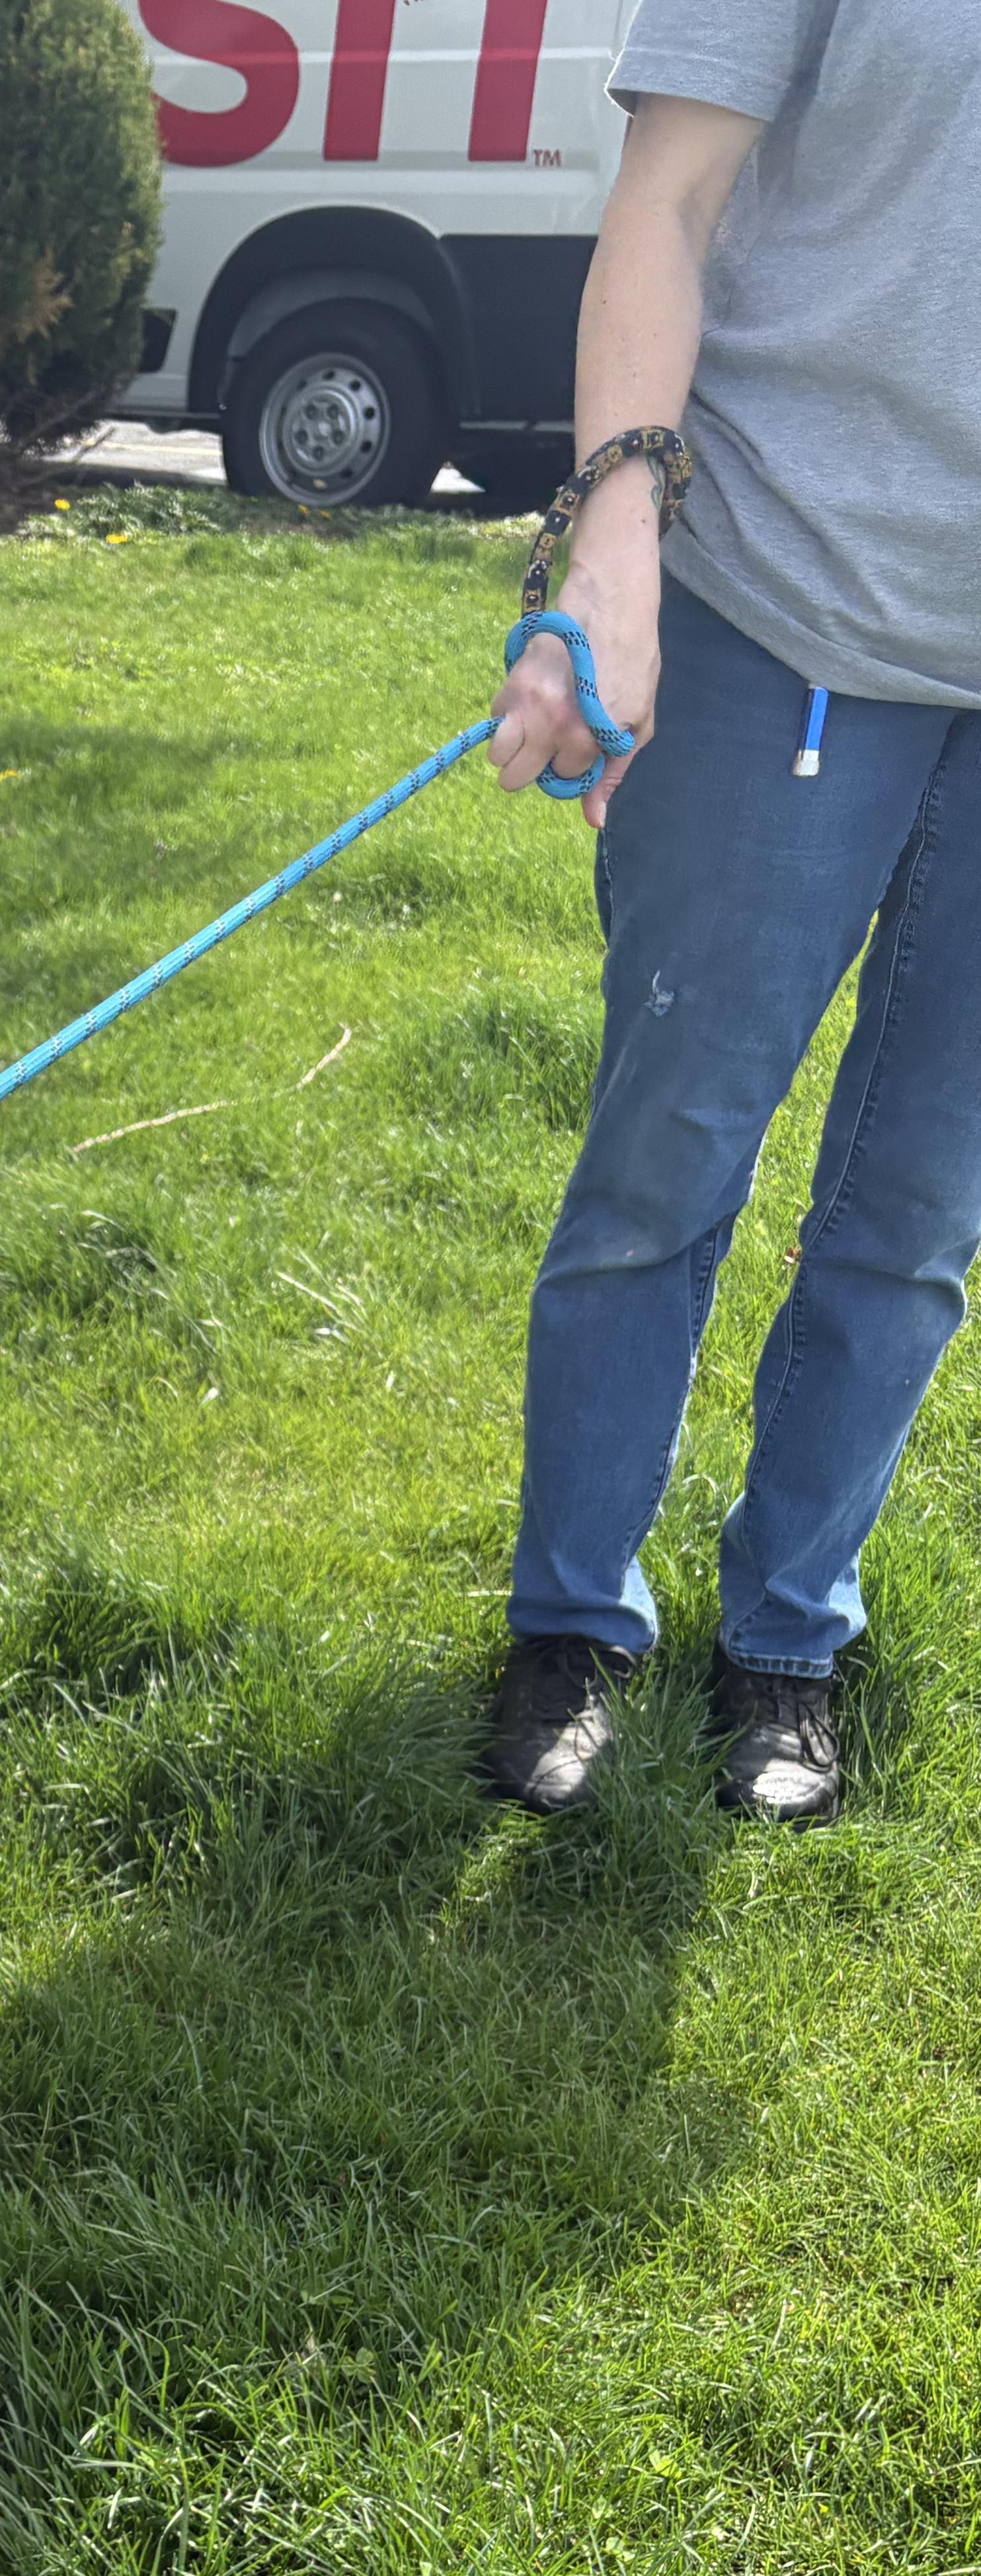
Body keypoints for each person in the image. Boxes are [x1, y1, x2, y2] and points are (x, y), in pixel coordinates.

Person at [481, 0, 981, 1826]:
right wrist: (616, 539)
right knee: (662, 1163)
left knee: (919, 1211)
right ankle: (569, 1621)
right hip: (783, 604)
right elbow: (668, 202)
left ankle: (788, 1634)